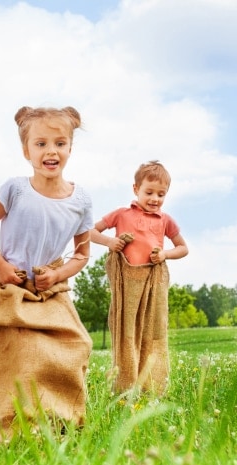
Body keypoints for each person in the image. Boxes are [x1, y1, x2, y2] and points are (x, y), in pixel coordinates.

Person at [0, 105, 93, 443]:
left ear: (70, 148)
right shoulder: (15, 189)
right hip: (12, 286)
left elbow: (82, 254)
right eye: (40, 144)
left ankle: (59, 419)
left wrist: (57, 276)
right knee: (23, 355)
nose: (50, 151)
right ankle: (6, 426)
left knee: (76, 345)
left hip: (51, 287)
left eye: (59, 143)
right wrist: (1, 265)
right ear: (27, 151)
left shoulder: (80, 200)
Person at [91, 161, 188, 395]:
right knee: (127, 332)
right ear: (136, 189)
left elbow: (182, 248)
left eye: (161, 194)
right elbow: (90, 231)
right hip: (127, 284)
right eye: (149, 192)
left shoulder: (165, 220)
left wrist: (164, 254)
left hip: (152, 283)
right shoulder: (121, 215)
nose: (155, 198)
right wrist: (110, 242)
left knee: (151, 332)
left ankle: (151, 385)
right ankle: (125, 385)